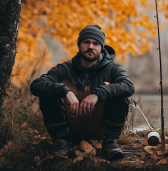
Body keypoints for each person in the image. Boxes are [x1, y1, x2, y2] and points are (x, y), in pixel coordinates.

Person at [30, 25, 134, 160]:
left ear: (101, 47)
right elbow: (36, 85)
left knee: (120, 95)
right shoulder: (64, 69)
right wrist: (65, 91)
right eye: (86, 42)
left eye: (95, 43)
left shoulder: (113, 68)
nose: (90, 46)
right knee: (47, 93)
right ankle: (61, 142)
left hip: (100, 128)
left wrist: (98, 93)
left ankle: (109, 142)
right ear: (79, 45)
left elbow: (128, 86)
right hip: (71, 128)